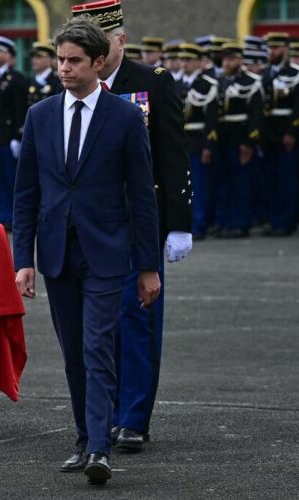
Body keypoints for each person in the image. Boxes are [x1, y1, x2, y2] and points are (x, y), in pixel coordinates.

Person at [13, 17, 160, 485]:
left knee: (98, 346)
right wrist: (23, 260)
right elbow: (25, 194)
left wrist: (149, 266)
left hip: (107, 254)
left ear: (99, 63)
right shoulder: (39, 116)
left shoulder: (125, 116)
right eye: (60, 59)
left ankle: (100, 448)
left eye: (74, 61)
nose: (63, 68)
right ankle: (83, 439)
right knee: (73, 353)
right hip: (56, 254)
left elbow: (142, 195)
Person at [73, 0, 191, 452]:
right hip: (89, 223)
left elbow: (173, 155)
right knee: (95, 324)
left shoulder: (151, 84)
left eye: (100, 45)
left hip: (139, 219)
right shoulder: (76, 81)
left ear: (120, 40)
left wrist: (179, 222)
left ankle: (133, 417)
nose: (92, 55)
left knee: (136, 318)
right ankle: (103, 413)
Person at [215, 42, 263, 239]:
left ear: (240, 60)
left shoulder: (252, 82)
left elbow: (256, 116)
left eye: (231, 59)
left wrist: (249, 143)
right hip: (222, 140)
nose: (226, 63)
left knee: (241, 184)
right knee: (224, 183)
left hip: (240, 139)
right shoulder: (221, 81)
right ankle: (226, 222)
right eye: (225, 59)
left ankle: (241, 223)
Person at [0, 36, 28, 228]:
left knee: (11, 179)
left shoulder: (16, 80)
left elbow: (21, 110)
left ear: (8, 55)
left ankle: (11, 215)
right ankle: (0, 211)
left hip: (8, 138)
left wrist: (18, 136)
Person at [179, 43, 219, 241]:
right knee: (180, 187)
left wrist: (207, 146)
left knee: (199, 187)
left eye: (189, 60)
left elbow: (211, 120)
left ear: (198, 62)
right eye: (183, 59)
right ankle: (184, 224)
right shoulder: (174, 84)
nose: (184, 63)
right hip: (179, 144)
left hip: (197, 141)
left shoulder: (206, 84)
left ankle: (199, 224)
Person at [261, 32, 298, 236]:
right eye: (270, 48)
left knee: (286, 180)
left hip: (286, 134)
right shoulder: (266, 74)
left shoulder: (295, 74)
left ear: (285, 50)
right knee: (270, 180)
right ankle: (274, 220)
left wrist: (292, 132)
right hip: (268, 135)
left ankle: (286, 222)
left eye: (276, 48)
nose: (272, 52)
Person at [28, 41, 64, 108]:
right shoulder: (31, 81)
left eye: (39, 57)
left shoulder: (57, 80)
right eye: (33, 57)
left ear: (49, 59)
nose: (34, 60)